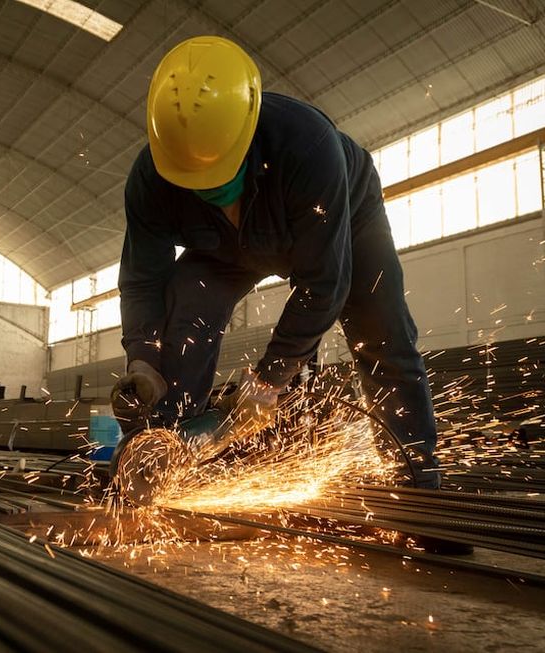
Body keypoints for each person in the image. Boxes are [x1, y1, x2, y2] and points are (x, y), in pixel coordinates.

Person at [111, 35, 441, 492]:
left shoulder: (310, 147)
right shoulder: (151, 179)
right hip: (223, 246)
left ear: (246, 132)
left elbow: (324, 286)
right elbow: (144, 280)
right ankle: (164, 454)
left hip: (343, 213)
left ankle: (415, 482)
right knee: (187, 308)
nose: (210, 189)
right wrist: (144, 359)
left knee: (382, 333)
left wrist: (271, 379)